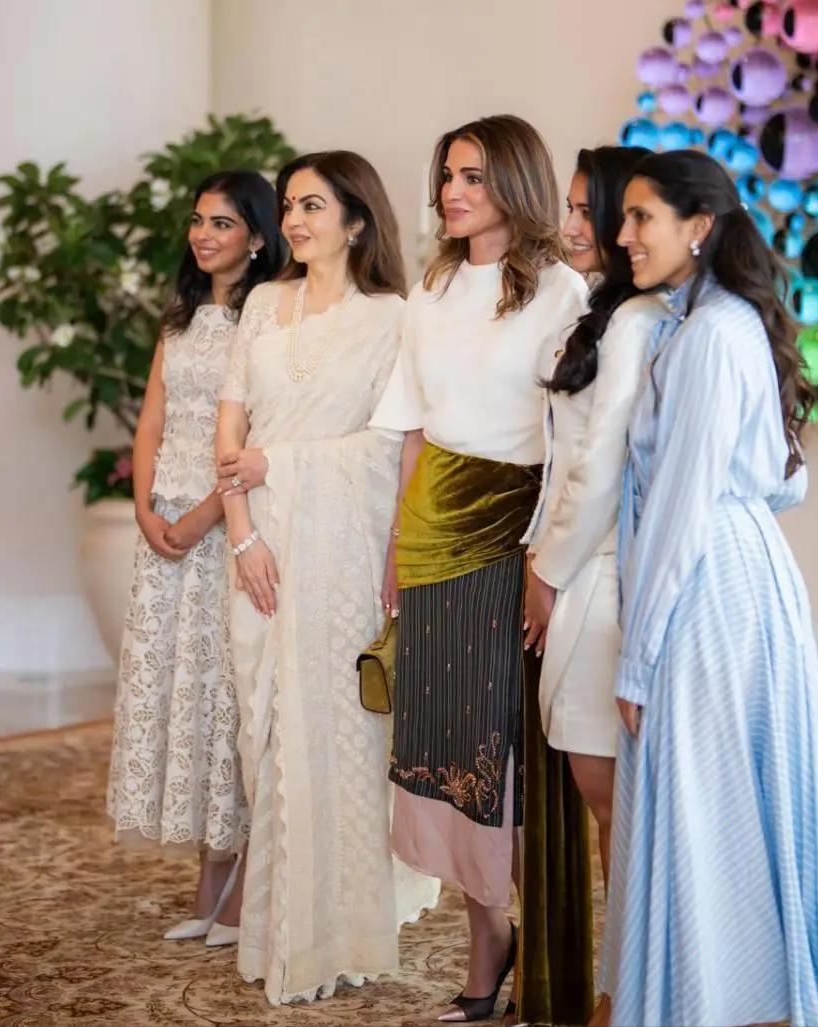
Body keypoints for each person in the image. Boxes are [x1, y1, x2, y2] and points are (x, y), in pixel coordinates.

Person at [597, 149, 818, 1027]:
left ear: (698, 226)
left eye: (640, 217)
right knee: (729, 799)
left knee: (705, 801)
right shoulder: (710, 323)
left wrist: (637, 659)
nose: (622, 234)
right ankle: (724, 995)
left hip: (705, 584)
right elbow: (783, 484)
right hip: (737, 566)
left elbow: (680, 503)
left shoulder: (711, 334)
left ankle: (712, 1000)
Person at [371, 114, 593, 1026]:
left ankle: (535, 949)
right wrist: (397, 544)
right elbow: (414, 432)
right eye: (446, 176)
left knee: (506, 751)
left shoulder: (561, 290)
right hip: (433, 538)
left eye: (471, 175)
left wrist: (545, 563)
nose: (451, 192)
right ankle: (486, 936)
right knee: (445, 742)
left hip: (514, 540)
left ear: (515, 182)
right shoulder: (427, 290)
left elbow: (570, 443)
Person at [215, 150, 438, 1003]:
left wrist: (283, 464)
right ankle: (279, 932)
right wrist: (242, 538)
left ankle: (336, 935)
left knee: (342, 736)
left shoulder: (390, 318)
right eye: (287, 205)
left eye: (312, 205)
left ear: (356, 220)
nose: (293, 220)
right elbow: (230, 435)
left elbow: (391, 445)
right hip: (260, 548)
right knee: (266, 733)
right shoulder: (262, 306)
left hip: (341, 551)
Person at [107, 170, 284, 941]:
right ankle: (209, 877)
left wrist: (206, 515)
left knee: (223, 696)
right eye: (198, 221)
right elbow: (152, 419)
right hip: (166, 531)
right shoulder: (179, 316)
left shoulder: (267, 318)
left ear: (257, 236)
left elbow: (256, 431)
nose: (203, 235)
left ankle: (238, 876)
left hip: (224, 525)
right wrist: (146, 509)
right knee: (179, 690)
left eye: (222, 223)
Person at [522, 145, 663, 892]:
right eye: (569, 209)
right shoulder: (597, 309)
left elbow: (601, 463)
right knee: (606, 796)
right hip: (574, 563)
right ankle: (630, 955)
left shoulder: (635, 320)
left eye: (588, 211)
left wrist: (545, 572)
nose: (571, 225)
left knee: (612, 796)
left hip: (602, 569)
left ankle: (636, 961)